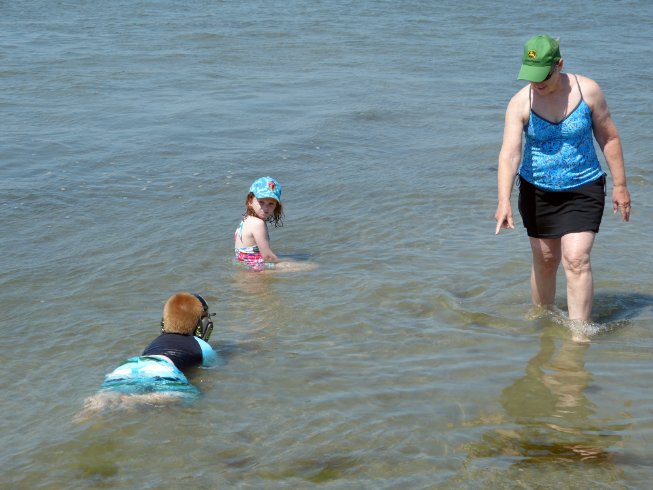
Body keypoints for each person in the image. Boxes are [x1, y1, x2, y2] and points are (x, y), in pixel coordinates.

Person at [494, 34, 631, 325]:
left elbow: (609, 137)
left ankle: (579, 335)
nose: (537, 84)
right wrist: (503, 200)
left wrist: (620, 185)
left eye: (543, 76)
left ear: (559, 64)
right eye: (531, 77)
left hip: (584, 187)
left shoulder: (588, 91)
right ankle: (543, 322)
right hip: (537, 192)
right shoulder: (520, 103)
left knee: (576, 258)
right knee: (545, 261)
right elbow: (509, 154)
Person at [75, 292, 218, 420]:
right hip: (162, 369)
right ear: (203, 326)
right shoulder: (201, 345)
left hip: (127, 367)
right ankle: (136, 401)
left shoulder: (154, 342)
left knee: (109, 394)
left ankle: (95, 404)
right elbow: (212, 367)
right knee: (191, 396)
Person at [234, 176, 317, 272]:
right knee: (311, 265)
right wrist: (285, 261)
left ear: (276, 206)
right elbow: (268, 257)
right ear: (250, 201)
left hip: (245, 265)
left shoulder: (246, 219)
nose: (265, 208)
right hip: (256, 270)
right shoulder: (258, 224)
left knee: (293, 258)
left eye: (271, 204)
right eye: (261, 202)